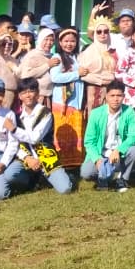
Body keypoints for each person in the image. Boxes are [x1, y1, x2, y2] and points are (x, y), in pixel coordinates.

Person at [0, 77, 76, 197]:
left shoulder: (45, 113)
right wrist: (27, 158)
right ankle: (32, 181)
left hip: (46, 157)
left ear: (38, 93)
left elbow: (35, 138)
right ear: (19, 96)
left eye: (31, 91)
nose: (28, 95)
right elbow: (14, 143)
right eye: (24, 92)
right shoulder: (17, 116)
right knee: (10, 175)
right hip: (26, 158)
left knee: (65, 188)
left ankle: (66, 176)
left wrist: (14, 129)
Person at [81, 80, 135, 192]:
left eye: (119, 95)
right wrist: (97, 159)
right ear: (106, 97)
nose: (115, 99)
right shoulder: (96, 113)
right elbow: (89, 141)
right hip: (101, 153)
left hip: (119, 155)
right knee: (86, 172)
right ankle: (104, 177)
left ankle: (123, 179)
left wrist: (119, 150)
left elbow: (133, 137)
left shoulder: (129, 112)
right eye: (112, 95)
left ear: (123, 97)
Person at [49, 27, 86, 172]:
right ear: (60, 42)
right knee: (63, 134)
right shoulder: (57, 57)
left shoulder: (77, 57)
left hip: (76, 102)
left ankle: (74, 165)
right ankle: (62, 165)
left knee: (75, 134)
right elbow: (55, 77)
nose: (69, 44)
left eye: (72, 41)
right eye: (66, 41)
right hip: (62, 103)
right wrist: (77, 74)